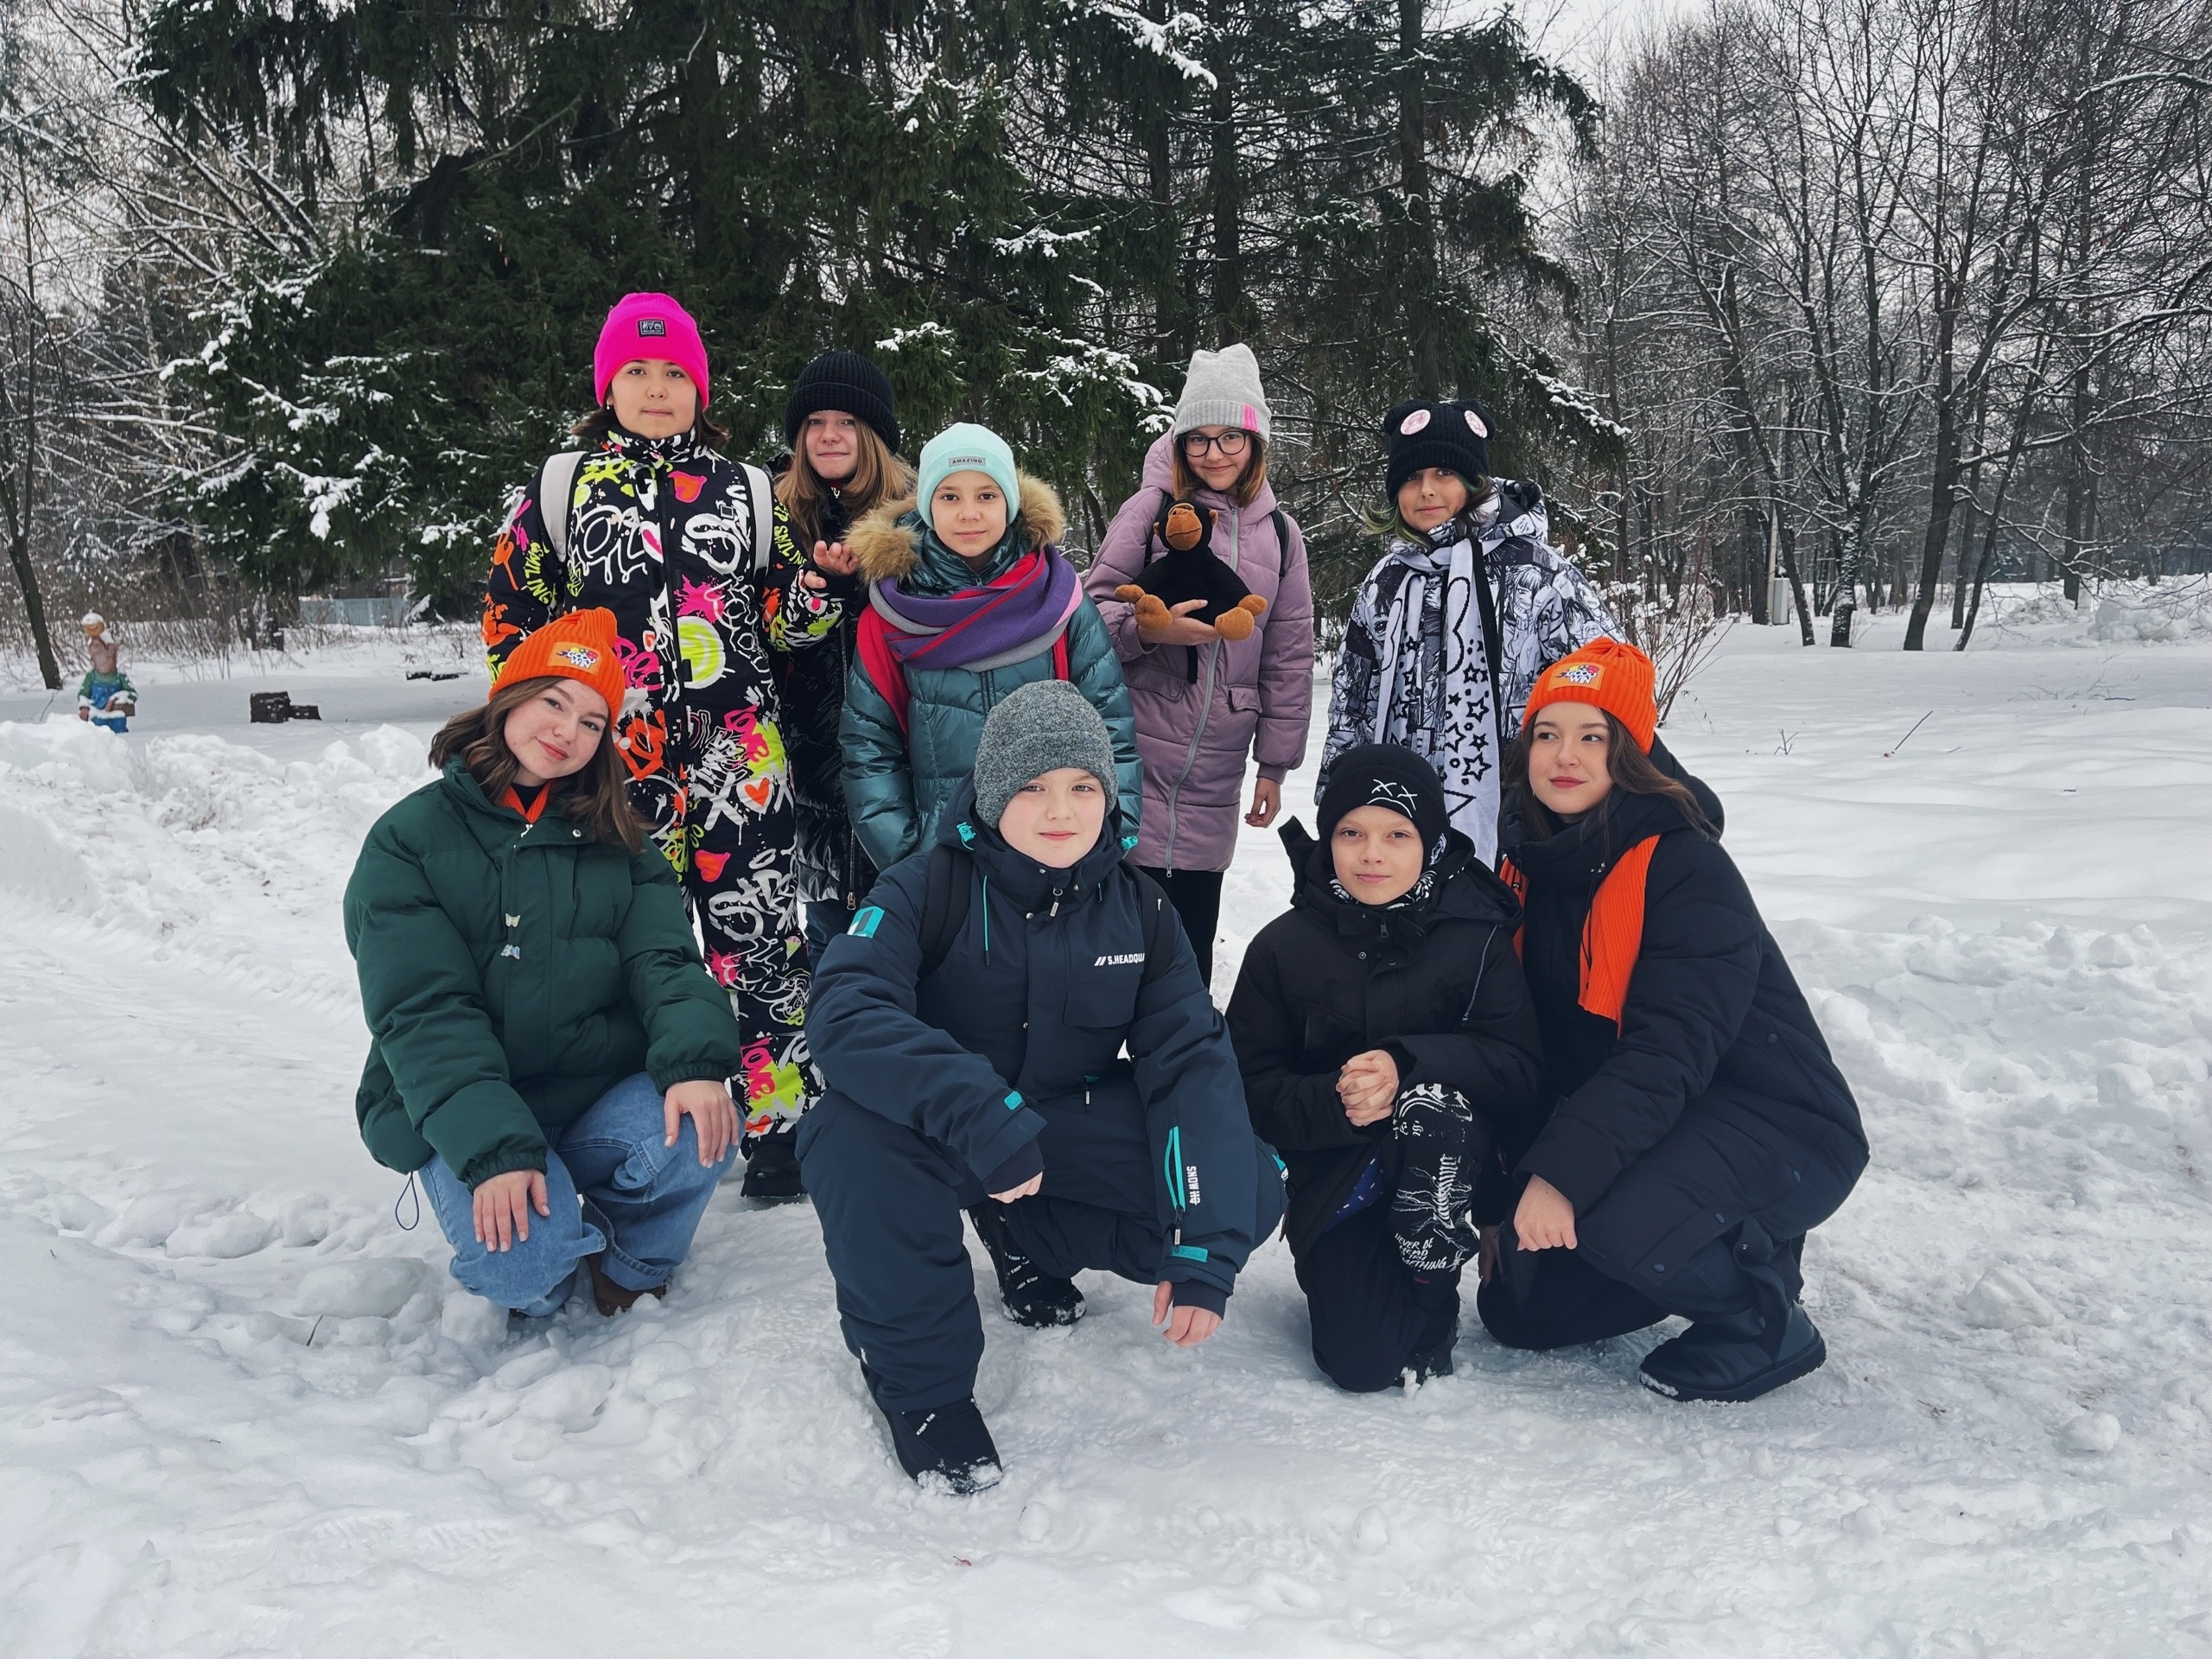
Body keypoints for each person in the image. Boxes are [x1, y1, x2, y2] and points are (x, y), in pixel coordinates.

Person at [800, 681, 1284, 1491]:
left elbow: (1192, 1068)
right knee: (850, 1137)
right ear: (992, 796)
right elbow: (845, 1011)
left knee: (1250, 1190)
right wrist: (975, 1109)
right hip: (947, 1130)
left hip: (1056, 1130)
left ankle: (1027, 1237)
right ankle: (925, 1393)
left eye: (1082, 786)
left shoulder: (1143, 909)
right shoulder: (925, 887)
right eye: (1032, 787)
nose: (1060, 809)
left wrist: (1206, 1244)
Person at [481, 292, 835, 1200]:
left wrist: (820, 590)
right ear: (608, 385)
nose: (656, 387)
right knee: (623, 947)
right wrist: (538, 729)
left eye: (674, 371)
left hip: (740, 763)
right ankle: (640, 1123)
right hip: (613, 767)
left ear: (699, 388)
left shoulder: (748, 490)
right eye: (636, 371)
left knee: (758, 941)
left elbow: (783, 625)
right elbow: (510, 618)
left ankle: (779, 1123)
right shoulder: (562, 489)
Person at [1479, 639, 1869, 1402]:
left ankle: (1762, 1313)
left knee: (1612, 1215)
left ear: (1630, 751)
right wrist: (1505, 1193)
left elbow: (1669, 1053)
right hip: (1669, 1115)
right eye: (1547, 734)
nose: (1565, 756)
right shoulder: (1533, 863)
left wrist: (1558, 1177)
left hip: (1777, 1120)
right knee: (1522, 1311)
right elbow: (1534, 1049)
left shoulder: (1686, 867)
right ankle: (1698, 1235)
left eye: (1593, 736)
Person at [344, 608, 746, 1319]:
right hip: (465, 1106)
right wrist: (495, 1151)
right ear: (508, 699)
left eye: (594, 721)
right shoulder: (409, 841)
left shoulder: (622, 846)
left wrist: (694, 1065)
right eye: (554, 701)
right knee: (524, 1269)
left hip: (590, 1091)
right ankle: (546, 1244)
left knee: (702, 1121)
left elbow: (666, 965)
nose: (568, 730)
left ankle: (632, 1261)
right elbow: (424, 1013)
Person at [1228, 746, 1542, 1391]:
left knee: (1432, 1109)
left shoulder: (1477, 939)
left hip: (1449, 1166)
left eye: (1397, 834)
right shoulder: (1282, 949)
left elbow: (1518, 1068)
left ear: (1429, 841)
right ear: (1330, 839)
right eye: (1352, 833)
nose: (1373, 854)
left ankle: (1433, 1293)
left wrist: (1410, 1063)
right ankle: (1365, 1276)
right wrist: (1333, 1103)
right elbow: (1245, 1087)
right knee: (1359, 1363)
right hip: (1339, 1180)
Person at [1084, 344, 1315, 987]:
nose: (1214, 454)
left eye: (1231, 438)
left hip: (1217, 773)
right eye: (1198, 440)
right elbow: (1088, 614)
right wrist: (1145, 631)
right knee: (1114, 954)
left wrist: (1275, 765)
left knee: (1184, 958)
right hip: (1132, 760)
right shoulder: (1150, 512)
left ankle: (1177, 1072)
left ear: (1256, 439)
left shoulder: (1283, 537)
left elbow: (1289, 654)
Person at [1320, 398, 1618, 868]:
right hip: (1400, 816)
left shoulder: (1538, 574)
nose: (1426, 491)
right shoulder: (1386, 580)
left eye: (1443, 473)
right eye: (1411, 478)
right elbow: (1350, 702)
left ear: (1473, 480)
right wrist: (1336, 798)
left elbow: (1605, 688)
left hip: (1517, 812)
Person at [841, 421, 1141, 875]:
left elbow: (1111, 726)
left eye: (987, 495)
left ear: (1010, 503)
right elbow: (869, 747)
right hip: (943, 863)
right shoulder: (888, 617)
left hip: (1056, 855)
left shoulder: (1061, 605)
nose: (969, 513)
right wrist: (909, 857)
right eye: (949, 496)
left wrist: (1108, 837)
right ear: (926, 506)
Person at [767, 350, 915, 967]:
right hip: (811, 779)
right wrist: (815, 596)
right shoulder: (770, 517)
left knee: (911, 942)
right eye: (816, 422)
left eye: (848, 421)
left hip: (905, 774)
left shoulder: (921, 516)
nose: (829, 435)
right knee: (831, 948)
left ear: (875, 435)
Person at [76, 613, 137, 733]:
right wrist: (84, 707)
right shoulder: (91, 676)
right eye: (98, 658)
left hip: (116, 716)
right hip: (96, 716)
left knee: (119, 729)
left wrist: (118, 698)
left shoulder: (120, 676)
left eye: (107, 659)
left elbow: (132, 694)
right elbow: (83, 695)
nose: (103, 663)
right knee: (97, 732)